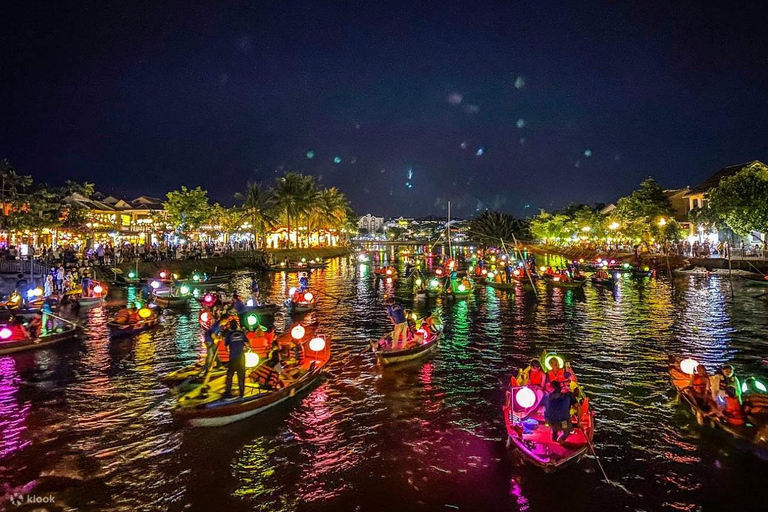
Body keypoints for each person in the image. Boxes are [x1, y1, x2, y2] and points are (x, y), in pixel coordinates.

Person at [224, 320, 250, 398]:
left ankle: (228, 392)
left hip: (233, 357)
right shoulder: (242, 334)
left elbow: (226, 347)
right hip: (241, 357)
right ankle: (242, 392)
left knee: (230, 375)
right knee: (241, 376)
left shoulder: (229, 335)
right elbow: (248, 344)